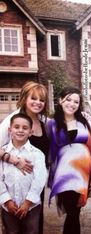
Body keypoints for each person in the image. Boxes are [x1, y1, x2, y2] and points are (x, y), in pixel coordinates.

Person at [47, 87, 91, 234]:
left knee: (76, 212)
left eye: (76, 102)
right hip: (64, 175)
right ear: (60, 100)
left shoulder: (85, 122)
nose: (72, 104)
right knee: (72, 211)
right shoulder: (52, 124)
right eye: (68, 100)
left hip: (83, 174)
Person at [0, 81, 50, 234]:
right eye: (33, 98)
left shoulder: (44, 122)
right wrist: (13, 159)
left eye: (41, 100)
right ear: (24, 98)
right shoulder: (13, 120)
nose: (37, 103)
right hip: (12, 185)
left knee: (33, 227)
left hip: (34, 186)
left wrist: (83, 116)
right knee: (13, 228)